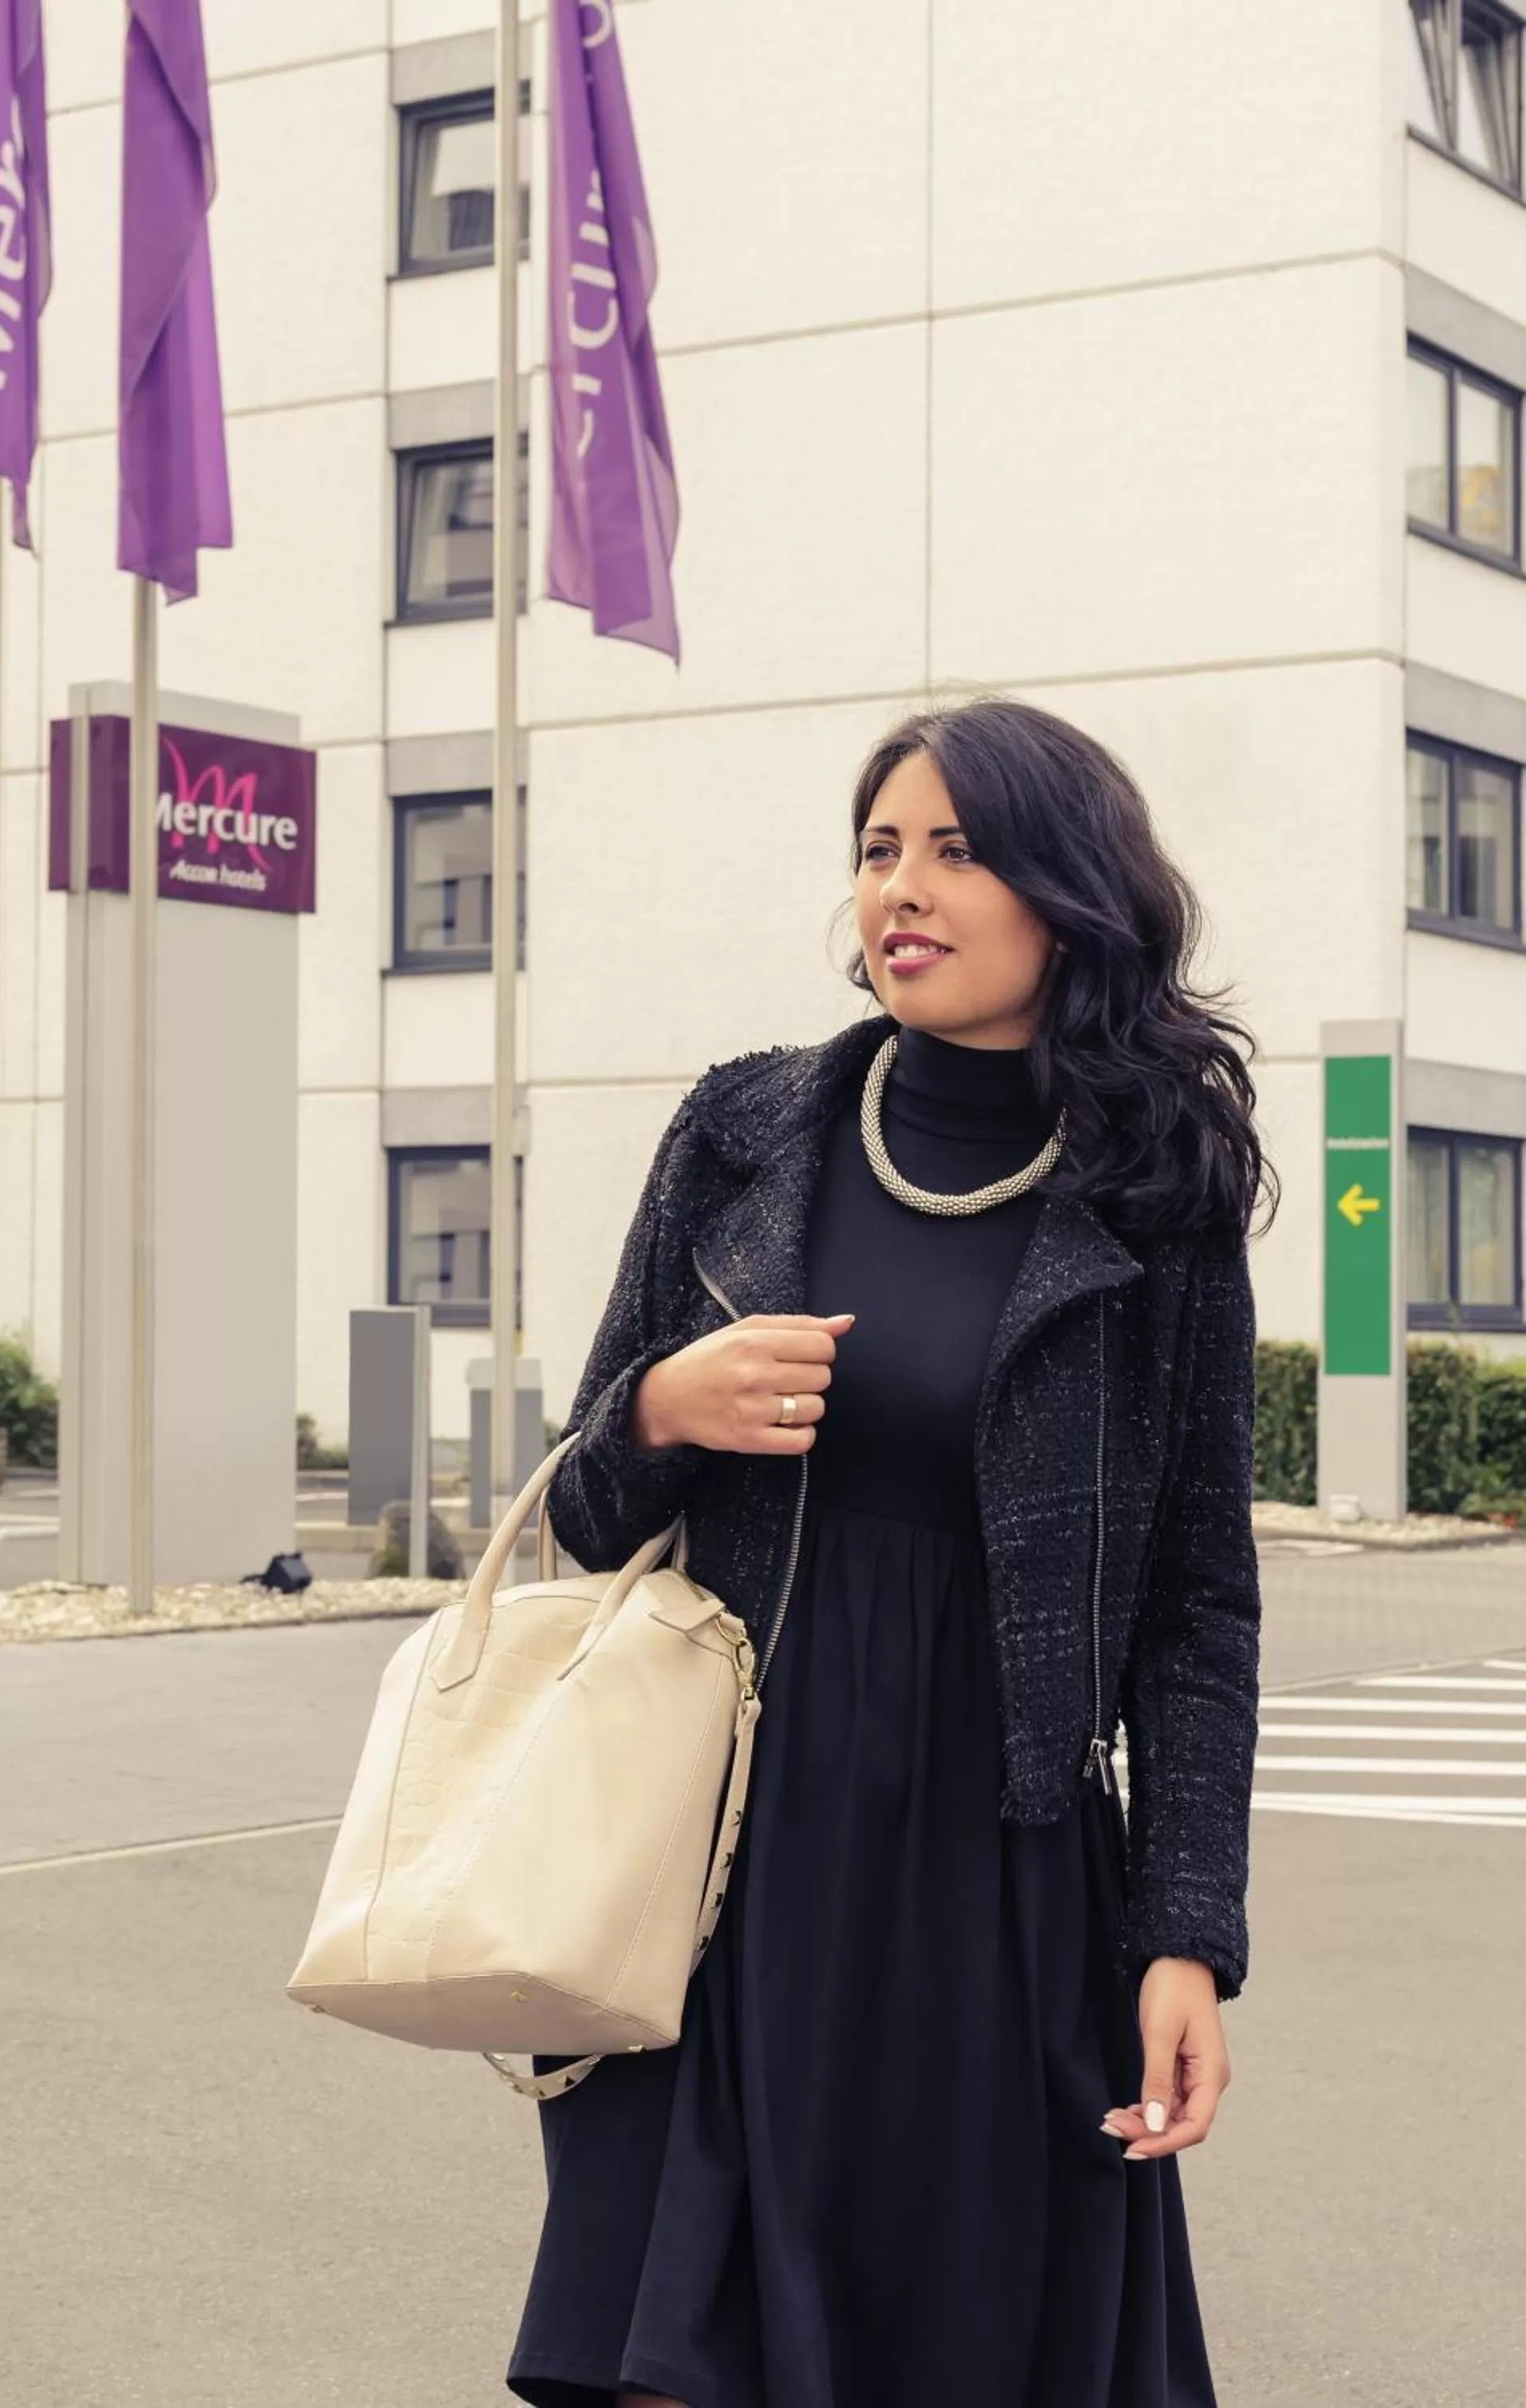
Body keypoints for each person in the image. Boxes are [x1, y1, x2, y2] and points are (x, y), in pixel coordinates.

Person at [507, 694, 1276, 2408]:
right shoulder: (742, 1134)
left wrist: (1183, 1934)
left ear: (1067, 898)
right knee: (670, 2360)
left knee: (965, 2348)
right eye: (876, 851)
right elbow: (575, 1507)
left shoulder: (1157, 1195)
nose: (900, 890)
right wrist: (663, 1409)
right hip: (715, 1865)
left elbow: (1196, 1607)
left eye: (955, 848)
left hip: (993, 1886)